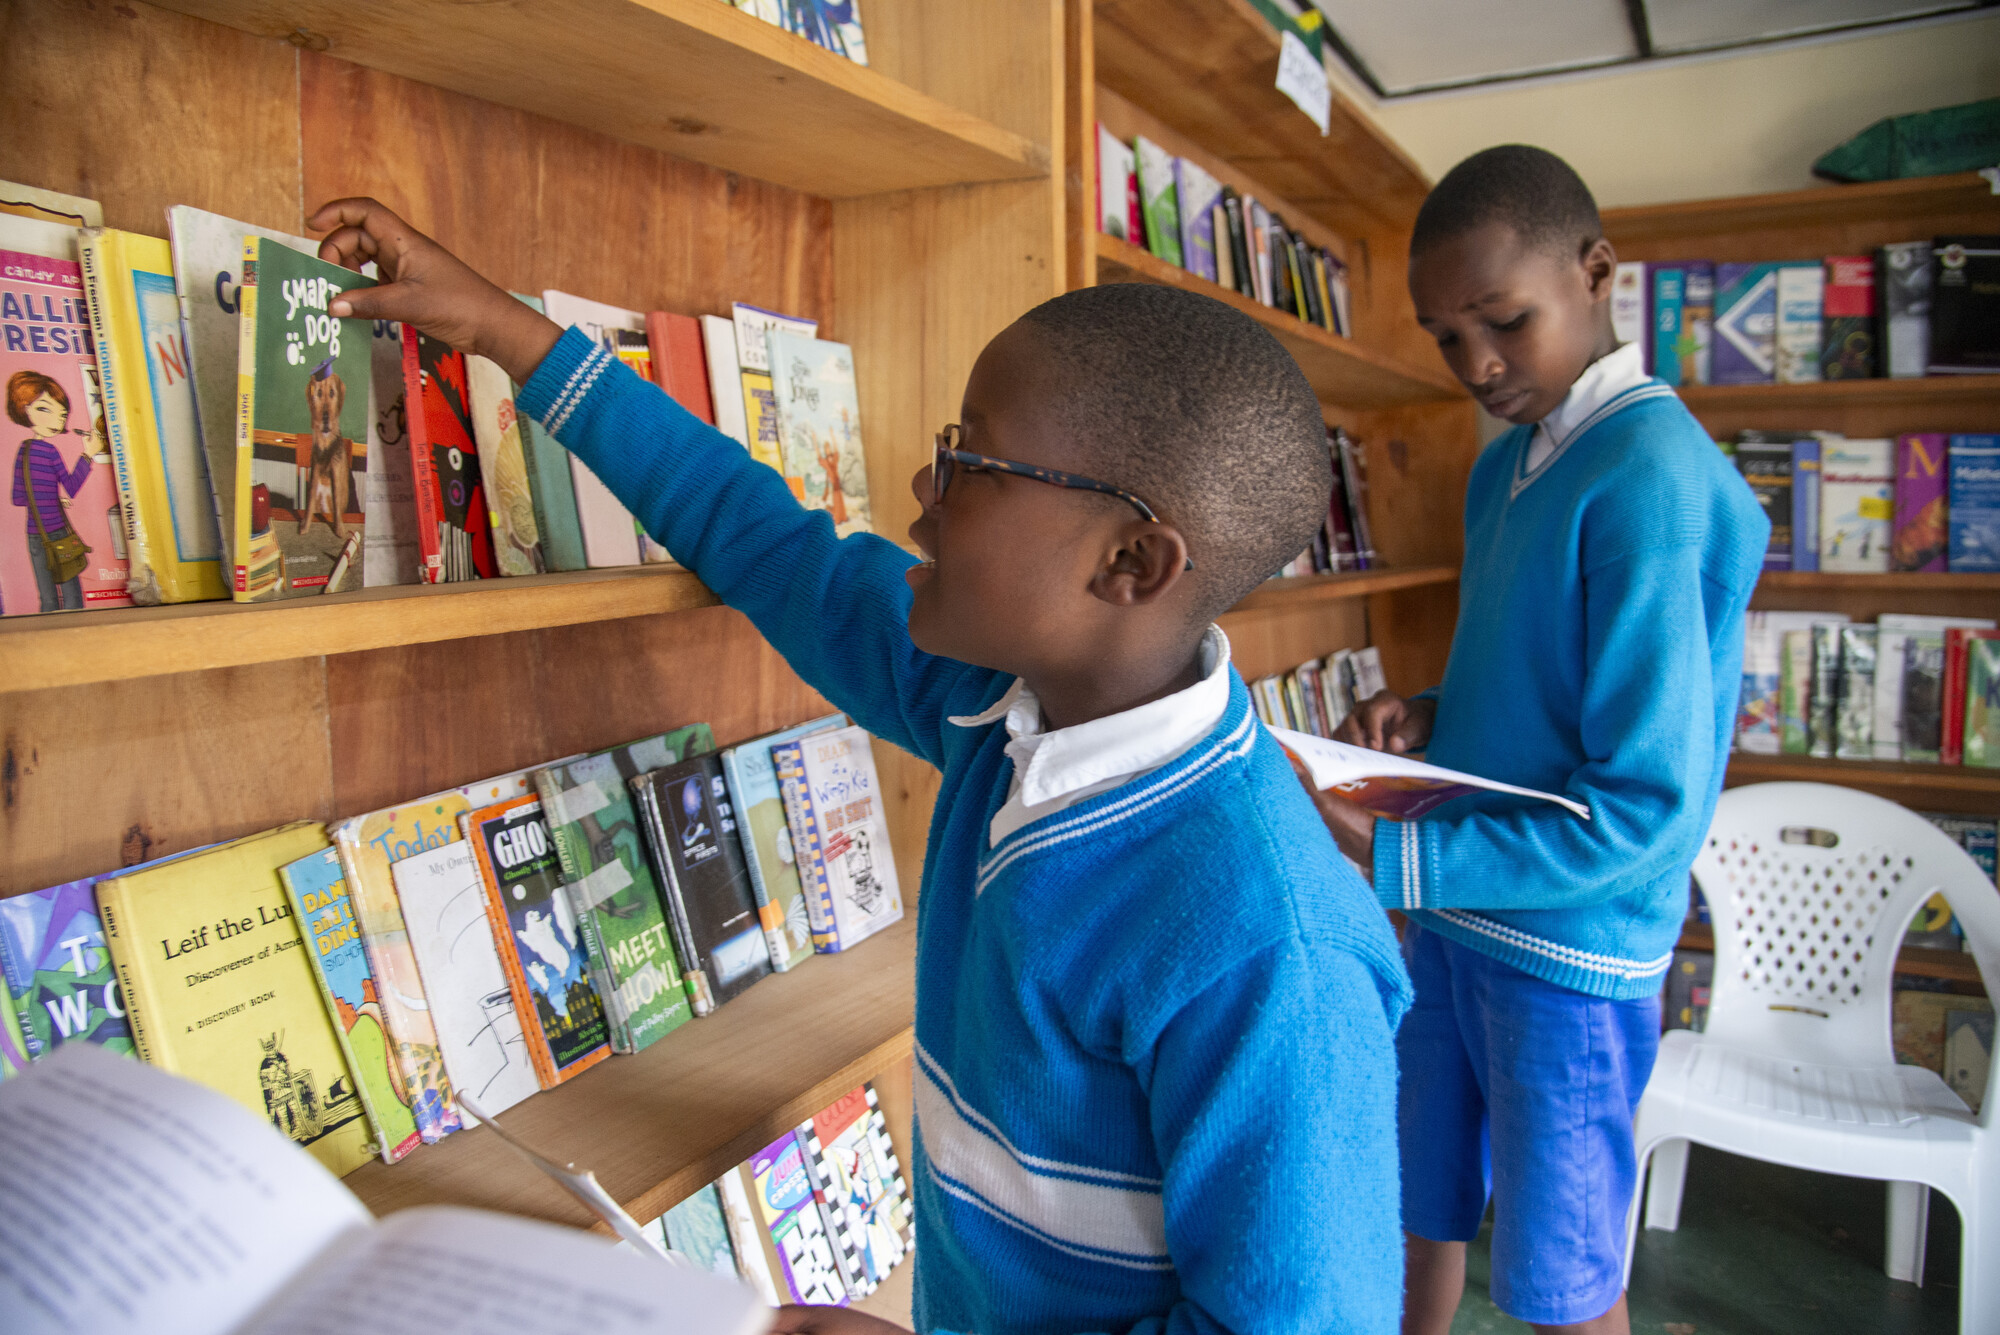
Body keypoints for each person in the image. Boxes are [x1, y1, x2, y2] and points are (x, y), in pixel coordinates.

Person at [311, 197, 1412, 1335]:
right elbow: (768, 544)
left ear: (1129, 561)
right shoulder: (1001, 708)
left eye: (969, 463)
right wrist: (504, 331)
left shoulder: (1270, 945)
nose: (923, 496)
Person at [1303, 146, 1768, 1335]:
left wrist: (1398, 863)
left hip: (1569, 956)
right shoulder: (1506, 461)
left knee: (1562, 1283)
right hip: (1459, 924)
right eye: (1445, 339)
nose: (1478, 365)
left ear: (1598, 271)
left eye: (1502, 321)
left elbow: (1645, 813)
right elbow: (1540, 687)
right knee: (1417, 1207)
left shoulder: (1652, 482)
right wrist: (1428, 714)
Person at [9, 370, 91, 612]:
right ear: (24, 409)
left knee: (47, 599)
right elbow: (72, 486)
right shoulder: (50, 451)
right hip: (56, 533)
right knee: (73, 599)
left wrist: (49, 499)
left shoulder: (23, 451)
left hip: (34, 535)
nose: (57, 419)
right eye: (44, 409)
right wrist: (88, 454)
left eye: (61, 413)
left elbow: (18, 498)